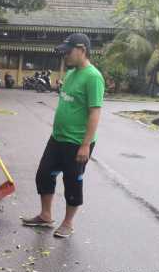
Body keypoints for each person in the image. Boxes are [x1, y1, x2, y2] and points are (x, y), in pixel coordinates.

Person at [22, 33, 104, 238]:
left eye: (68, 52)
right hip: (58, 137)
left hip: (77, 142)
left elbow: (95, 113)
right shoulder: (71, 73)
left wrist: (86, 145)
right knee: (44, 174)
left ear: (82, 50)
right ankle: (45, 215)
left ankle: (68, 223)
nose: (64, 56)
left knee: (72, 182)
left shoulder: (93, 77)